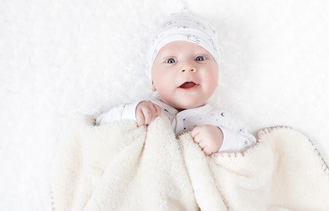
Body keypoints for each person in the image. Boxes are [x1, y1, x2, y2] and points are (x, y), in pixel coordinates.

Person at [96, 11, 256, 155]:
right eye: (171, 60)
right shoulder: (145, 109)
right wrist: (133, 113)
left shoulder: (221, 120)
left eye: (200, 58)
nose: (187, 67)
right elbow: (100, 127)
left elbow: (250, 146)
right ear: (153, 81)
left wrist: (222, 139)